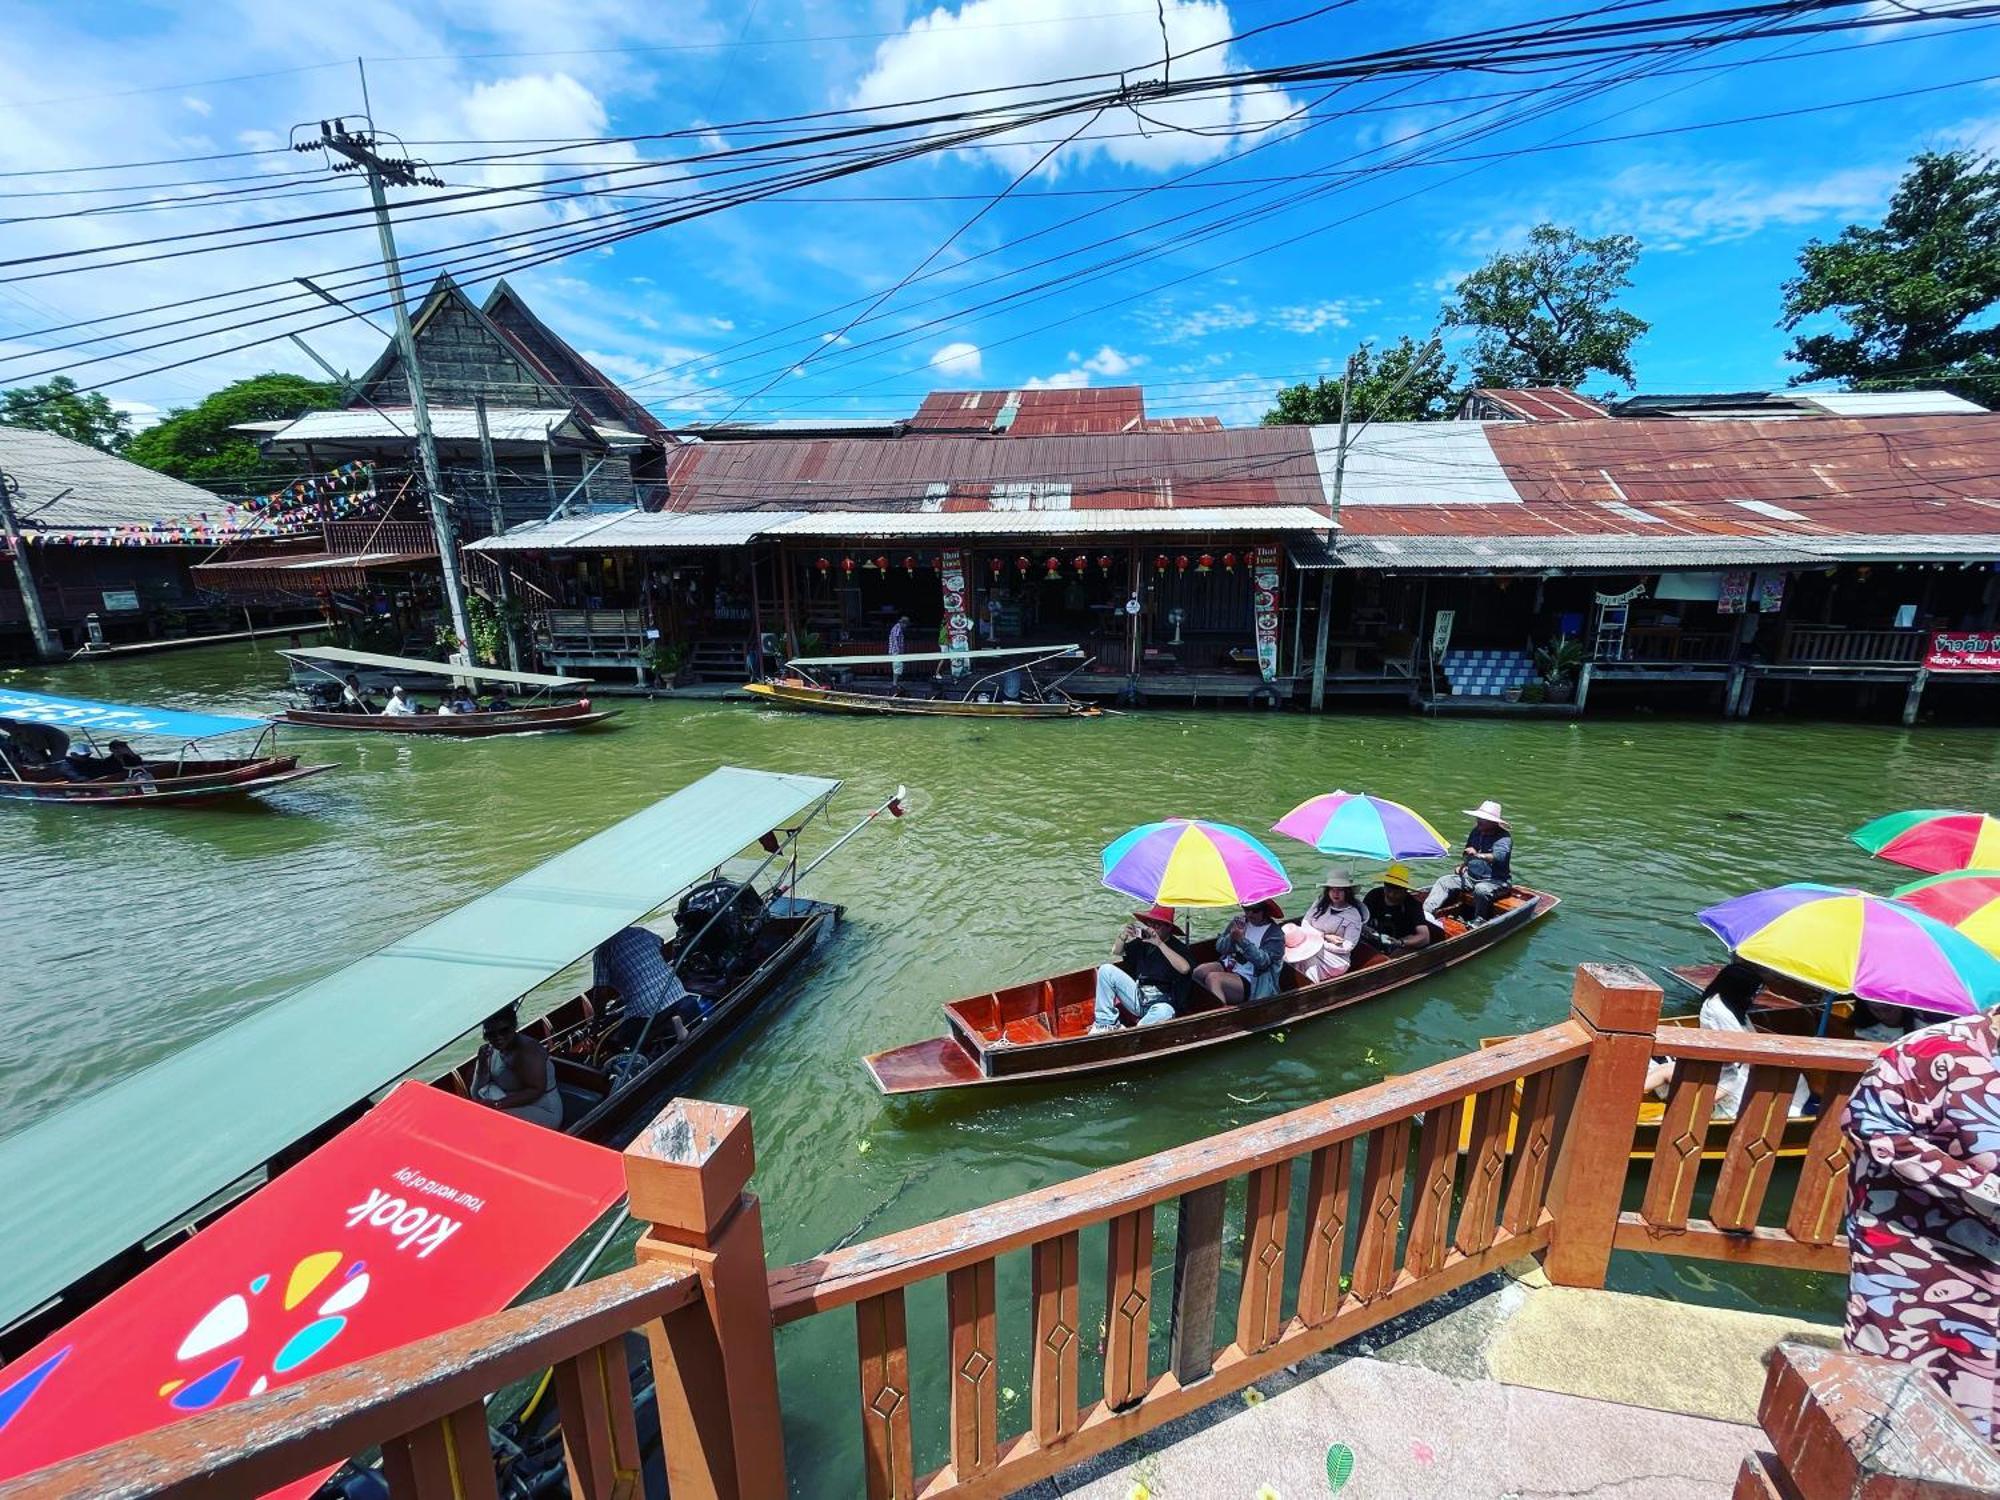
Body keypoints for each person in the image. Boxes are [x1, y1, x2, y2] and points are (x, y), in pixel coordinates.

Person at [1842, 1006, 2000, 1446]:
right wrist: (1980, 1192)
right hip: (1921, 1254)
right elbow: (1869, 1123)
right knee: (1892, 1408)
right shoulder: (1929, 1053)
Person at [1644, 960, 1766, 1114]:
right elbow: (1739, 1045)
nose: (1754, 996)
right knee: (1663, 1070)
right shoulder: (1719, 1009)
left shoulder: (1726, 1006)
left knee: (1663, 1070)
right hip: (1722, 1067)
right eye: (1754, 992)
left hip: (1724, 1070)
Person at [1091, 905, 1194, 1031]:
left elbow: (1185, 968)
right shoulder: (1143, 943)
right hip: (1139, 996)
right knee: (1106, 970)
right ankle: (1105, 1023)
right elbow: (1117, 951)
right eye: (1150, 924)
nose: (1153, 928)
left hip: (1162, 1003)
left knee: (1165, 1011)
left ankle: (1138, 1030)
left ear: (1169, 928)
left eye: (1158, 925)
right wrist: (1123, 936)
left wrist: (1160, 944)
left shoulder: (1178, 948)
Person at [470, 1004, 563, 1128]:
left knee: (488, 1116)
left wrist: (497, 1104)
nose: (498, 1037)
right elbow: (476, 1093)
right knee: (481, 1103)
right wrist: (481, 1064)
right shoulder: (492, 1050)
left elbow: (537, 1090)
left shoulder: (528, 1051)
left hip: (543, 1109)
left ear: (514, 1026)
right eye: (490, 1034)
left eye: (504, 1031)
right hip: (510, 1099)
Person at [1425, 799, 1513, 925]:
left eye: (1483, 819)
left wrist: (1477, 855)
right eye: (1479, 818)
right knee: (1444, 881)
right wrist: (1464, 865)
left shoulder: (1503, 838)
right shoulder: (1476, 832)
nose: (1478, 821)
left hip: (1496, 881)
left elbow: (1499, 857)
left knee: (1481, 890)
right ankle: (1426, 912)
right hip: (1471, 877)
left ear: (1493, 823)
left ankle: (1480, 919)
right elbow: (1468, 851)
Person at [1193, 899, 1287, 1005]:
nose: (1249, 914)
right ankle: (1206, 1007)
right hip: (1231, 966)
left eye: (1255, 910)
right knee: (1199, 972)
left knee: (1214, 979)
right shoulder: (1239, 922)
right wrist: (1231, 937)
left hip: (1254, 980)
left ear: (1265, 911)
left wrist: (1241, 941)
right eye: (1246, 909)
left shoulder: (1275, 934)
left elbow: (1263, 962)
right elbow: (1220, 948)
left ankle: (1222, 1017)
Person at [1293, 868, 1368, 983]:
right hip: (1311, 945)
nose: (1335, 893)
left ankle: (1311, 990)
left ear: (1347, 892)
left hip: (1337, 958)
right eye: (1332, 889)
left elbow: (1347, 947)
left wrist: (1319, 945)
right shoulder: (1320, 903)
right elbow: (1305, 924)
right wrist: (1324, 936)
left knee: (1309, 958)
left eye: (1340, 890)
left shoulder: (1353, 915)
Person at [1364, 864, 1437, 952]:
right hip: (1374, 937)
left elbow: (1424, 937)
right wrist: (1367, 929)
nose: (1391, 895)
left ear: (1405, 890)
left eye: (1396, 893)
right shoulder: (1374, 895)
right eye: (1388, 890)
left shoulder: (1413, 905)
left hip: (1400, 942)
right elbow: (1360, 919)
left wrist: (1400, 942)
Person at [888, 615, 910, 688]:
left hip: (896, 651)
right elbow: (895, 640)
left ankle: (896, 683)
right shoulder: (897, 628)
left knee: (898, 667)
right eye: (906, 624)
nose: (906, 626)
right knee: (897, 667)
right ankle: (895, 683)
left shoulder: (897, 627)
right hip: (896, 651)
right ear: (903, 623)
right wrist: (898, 651)